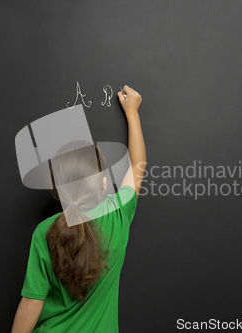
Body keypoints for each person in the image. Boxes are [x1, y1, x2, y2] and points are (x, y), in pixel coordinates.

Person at [11, 85, 146, 333]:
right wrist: (132, 112)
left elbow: (31, 303)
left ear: (57, 189)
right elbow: (137, 165)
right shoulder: (117, 214)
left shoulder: (45, 231)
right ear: (103, 183)